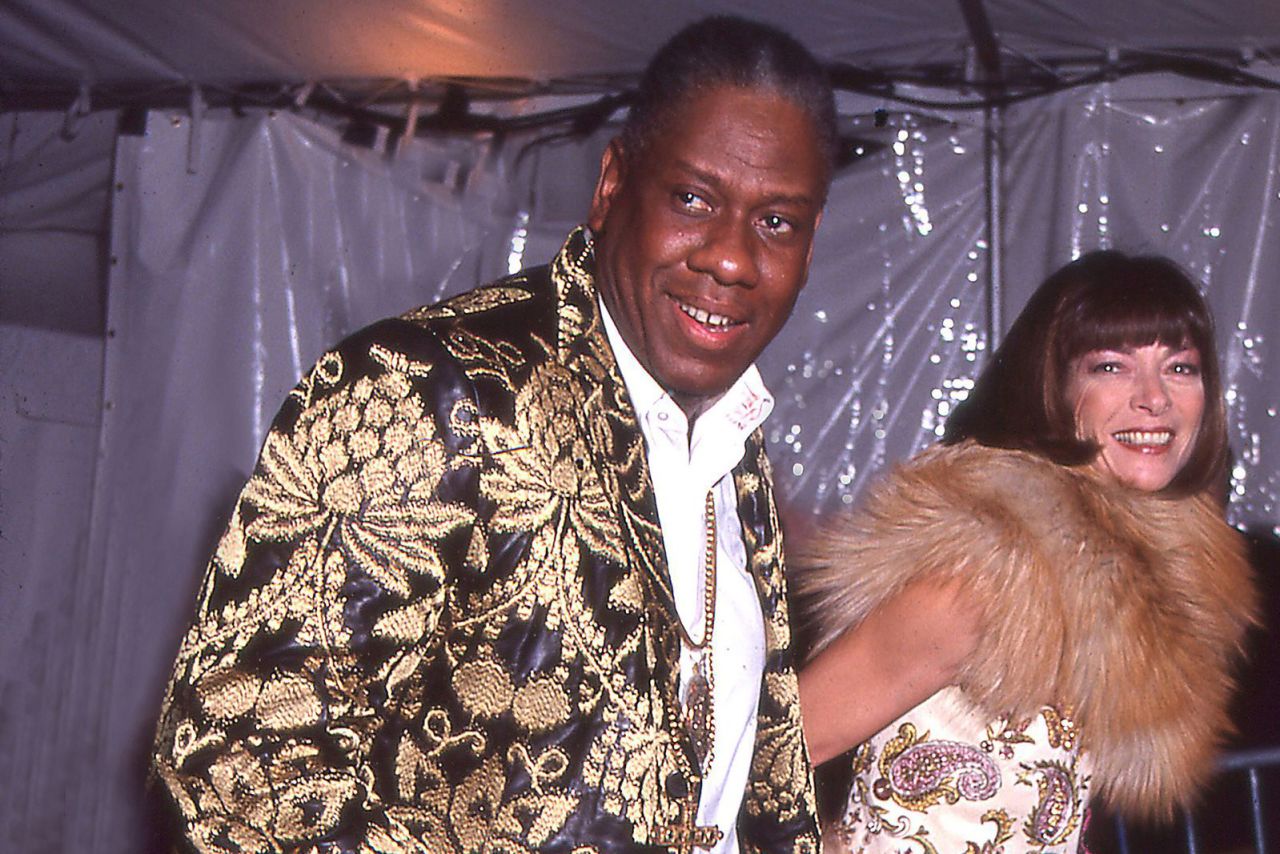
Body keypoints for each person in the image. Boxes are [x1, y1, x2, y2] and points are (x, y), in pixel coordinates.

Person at [151, 15, 838, 854]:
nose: (731, 258)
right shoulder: (431, 388)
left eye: (778, 222)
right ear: (613, 185)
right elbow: (238, 769)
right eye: (693, 199)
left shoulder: (735, 445)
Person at [795, 251, 1258, 852]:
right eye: (1112, 367)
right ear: (1055, 388)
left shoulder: (1131, 584)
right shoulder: (988, 571)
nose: (1154, 399)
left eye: (1180, 367)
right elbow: (780, 743)